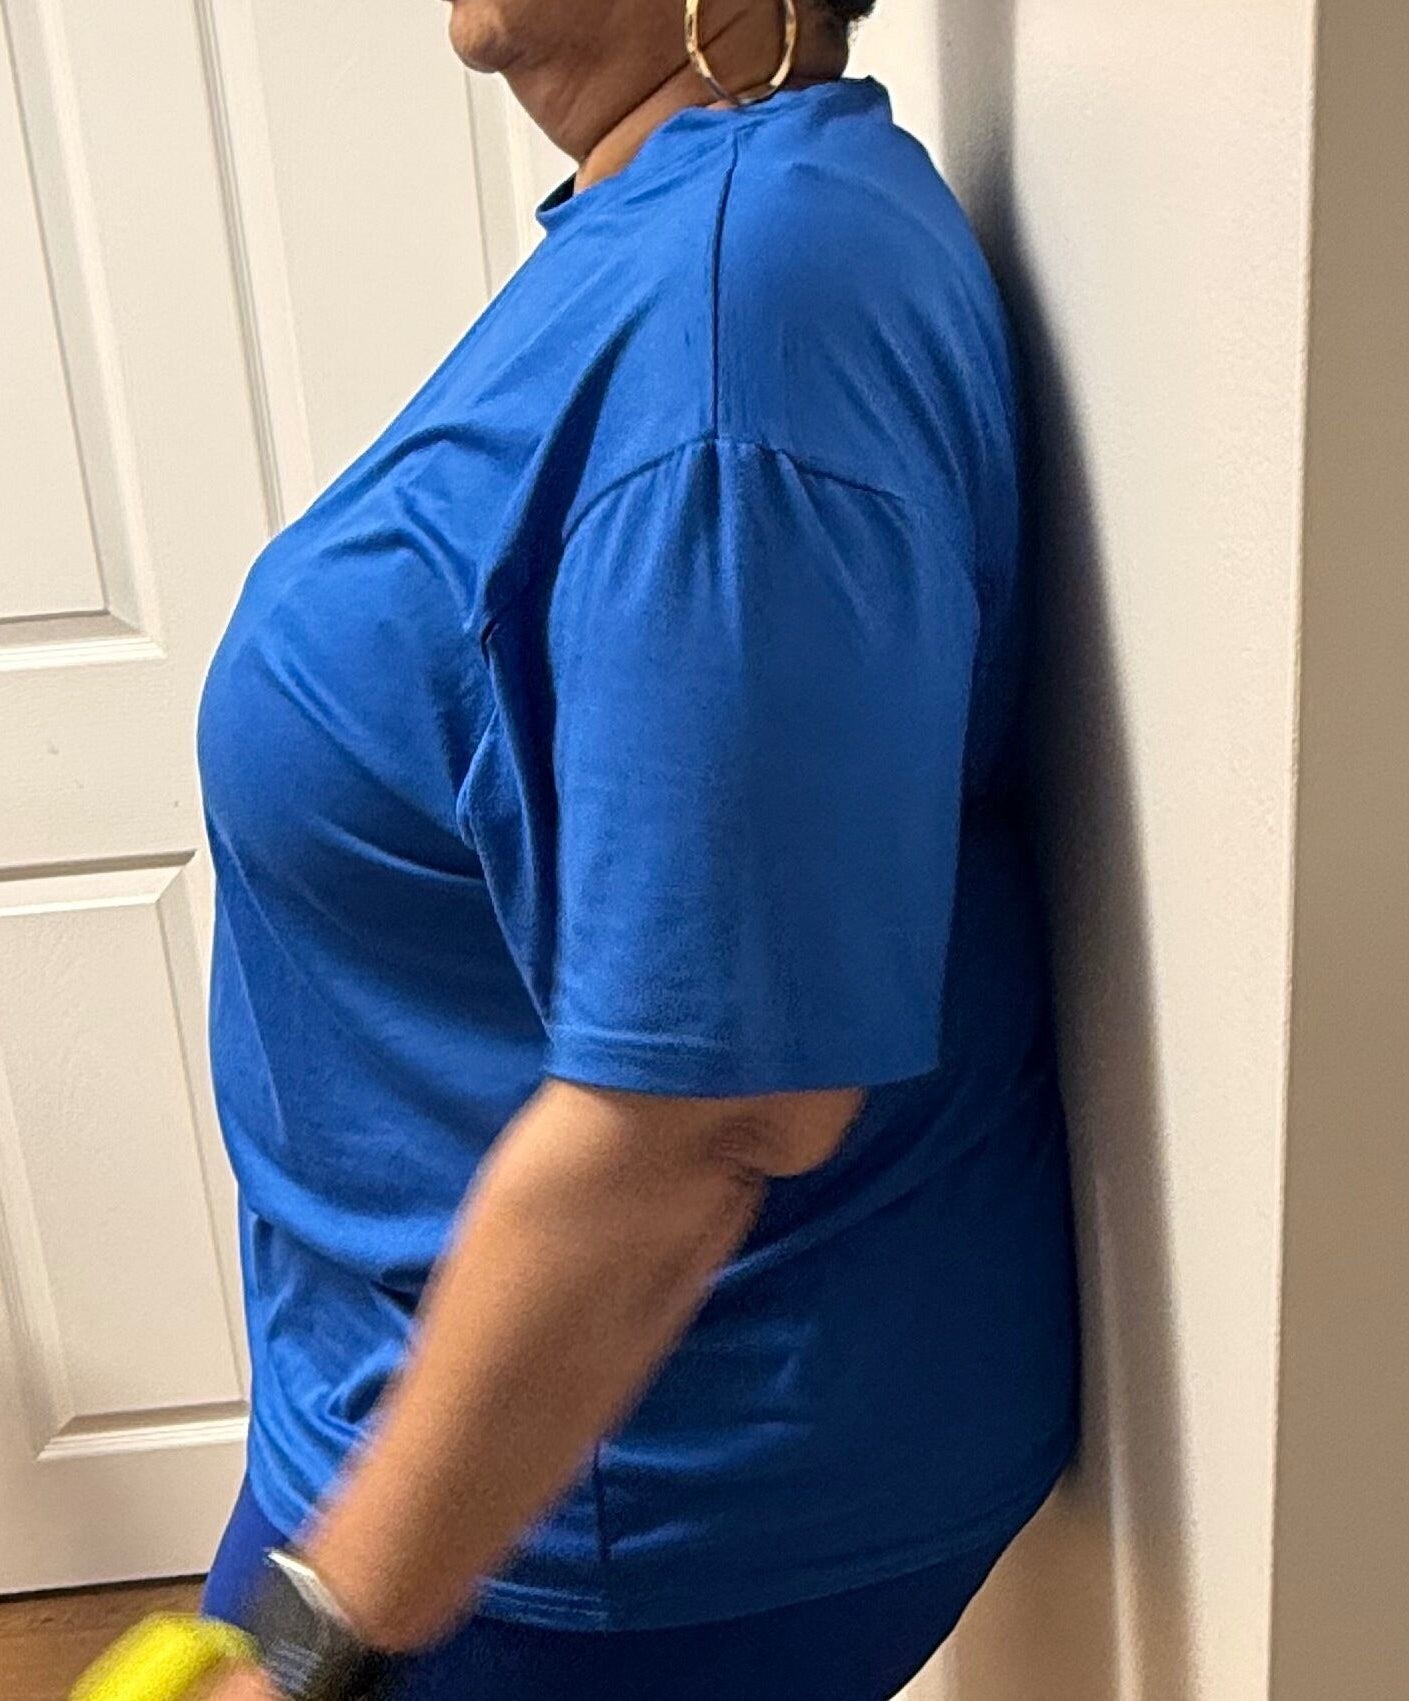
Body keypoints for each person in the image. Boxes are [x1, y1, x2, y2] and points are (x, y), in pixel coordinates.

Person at [190, 1, 1078, 1696]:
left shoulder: (754, 310)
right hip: (452, 1438)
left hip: (594, 1509)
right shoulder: (669, 232)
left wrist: (304, 1648)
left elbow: (714, 1109)